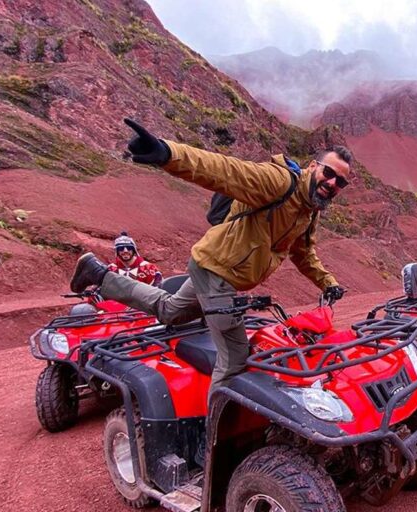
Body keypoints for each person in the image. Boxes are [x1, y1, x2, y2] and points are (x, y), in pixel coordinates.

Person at [70, 118, 351, 391]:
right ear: (313, 166)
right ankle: (213, 437)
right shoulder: (280, 182)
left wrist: (328, 282)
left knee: (170, 312)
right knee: (235, 360)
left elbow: (303, 252)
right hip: (218, 272)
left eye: (341, 182)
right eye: (329, 173)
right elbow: (224, 171)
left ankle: (97, 274)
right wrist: (167, 153)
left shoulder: (309, 210)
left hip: (213, 267)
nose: (332, 183)